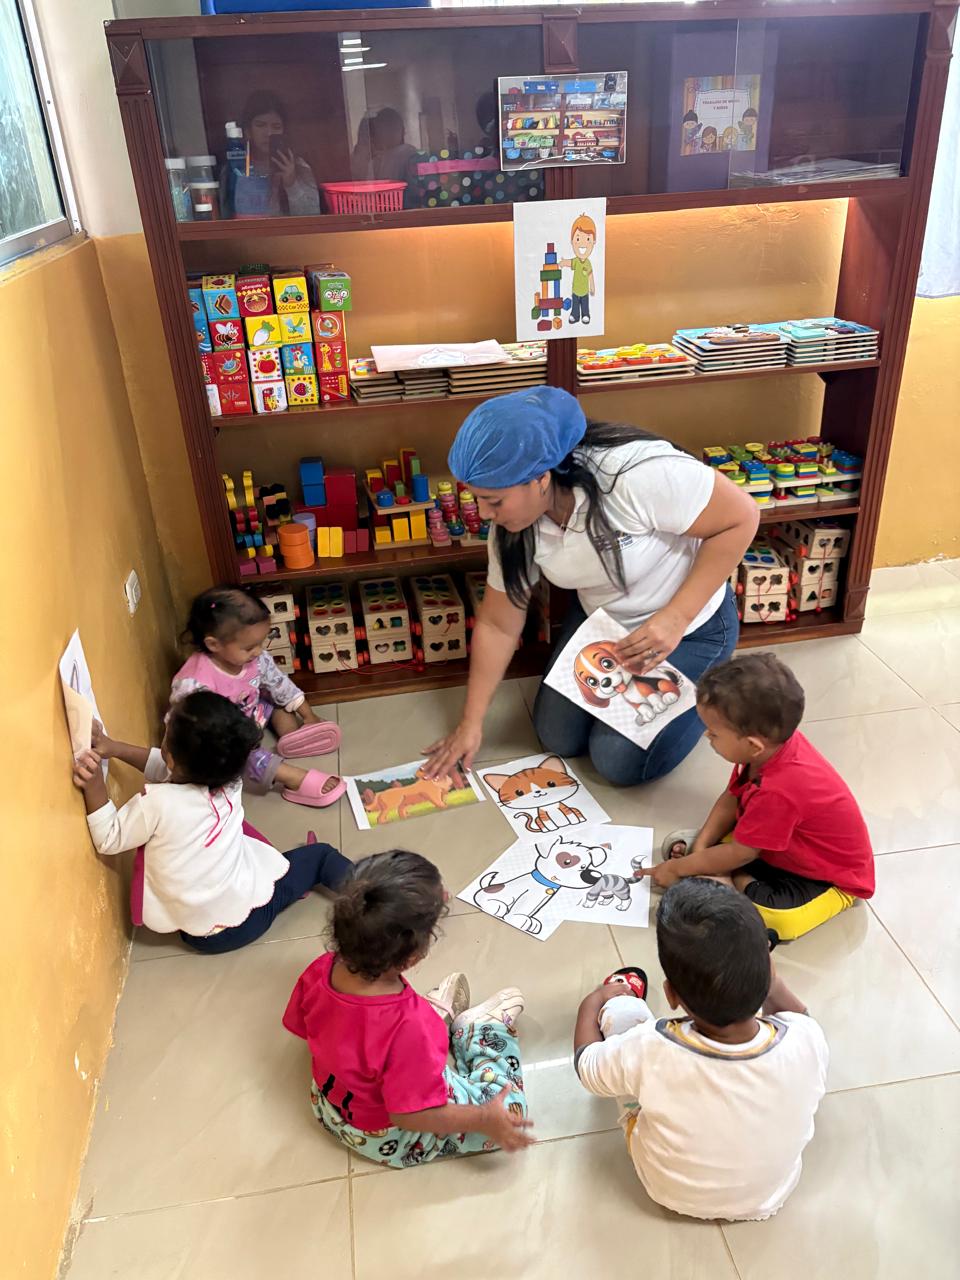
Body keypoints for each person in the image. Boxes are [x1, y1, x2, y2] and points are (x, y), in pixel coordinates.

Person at [424, 387, 757, 786]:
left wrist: (676, 618)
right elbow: (498, 625)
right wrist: (470, 724)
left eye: (494, 501)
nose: (483, 514)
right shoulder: (512, 529)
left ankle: (707, 682)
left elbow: (742, 517)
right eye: (477, 499)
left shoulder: (633, 476)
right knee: (557, 737)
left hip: (690, 626)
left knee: (616, 762)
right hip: (607, 627)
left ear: (541, 478)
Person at [573, 878, 828, 1221]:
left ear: (671, 994)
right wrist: (771, 984)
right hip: (769, 1196)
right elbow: (800, 1019)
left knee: (624, 1013)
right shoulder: (805, 1038)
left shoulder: (652, 1047)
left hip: (669, 1189)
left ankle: (619, 994)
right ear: (767, 970)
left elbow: (587, 1067)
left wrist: (593, 1002)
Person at [283, 850, 533, 1168]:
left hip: (331, 1108)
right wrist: (484, 1118)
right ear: (413, 956)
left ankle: (433, 1024)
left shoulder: (320, 969)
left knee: (403, 1048)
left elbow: (304, 1027)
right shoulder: (409, 1026)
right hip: (389, 1136)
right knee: (510, 1112)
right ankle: (482, 1030)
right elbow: (411, 1116)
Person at [72, 692, 352, 954]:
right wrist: (114, 749)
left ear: (172, 758)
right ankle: (369, 896)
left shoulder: (157, 803)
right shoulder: (230, 778)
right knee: (320, 856)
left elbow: (110, 837)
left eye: (167, 728)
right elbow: (166, 767)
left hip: (203, 935)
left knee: (268, 862)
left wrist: (96, 786)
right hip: (244, 920)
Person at [648, 653, 875, 941]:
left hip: (827, 878)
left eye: (714, 734)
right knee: (681, 845)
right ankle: (720, 874)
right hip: (776, 848)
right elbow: (731, 797)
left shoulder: (780, 788)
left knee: (774, 918)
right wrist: (700, 850)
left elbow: (744, 851)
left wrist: (679, 868)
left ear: (753, 745)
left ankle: (727, 878)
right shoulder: (769, 749)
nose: (707, 736)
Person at [172, 587, 344, 808]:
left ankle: (292, 736)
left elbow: (279, 683)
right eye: (249, 647)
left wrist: (308, 714)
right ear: (214, 644)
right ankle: (292, 777)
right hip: (229, 738)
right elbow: (182, 728)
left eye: (261, 643)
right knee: (246, 756)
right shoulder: (195, 684)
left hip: (253, 710)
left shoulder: (255, 659)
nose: (258, 651)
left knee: (275, 699)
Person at [231, 90, 319, 218]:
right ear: (248, 130)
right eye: (260, 125)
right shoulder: (236, 168)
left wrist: (291, 183)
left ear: (284, 131)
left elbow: (313, 217)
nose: (268, 133)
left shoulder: (298, 166)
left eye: (276, 127)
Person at [560, 213, 597, 326]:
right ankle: (575, 315)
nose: (582, 244)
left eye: (588, 239)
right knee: (575, 305)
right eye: (577, 238)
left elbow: (590, 275)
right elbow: (570, 263)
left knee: (585, 305)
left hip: (584, 291)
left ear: (593, 242)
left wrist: (592, 288)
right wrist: (563, 262)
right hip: (575, 290)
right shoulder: (576, 261)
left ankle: (585, 315)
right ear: (572, 241)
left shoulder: (588, 263)